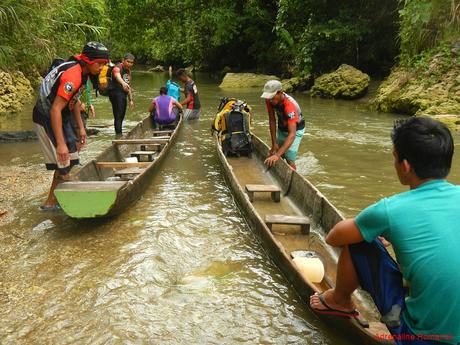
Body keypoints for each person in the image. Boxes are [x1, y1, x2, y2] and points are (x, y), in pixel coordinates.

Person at [309, 117, 460, 345]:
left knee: (358, 240)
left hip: (423, 338)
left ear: (405, 165)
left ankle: (339, 300)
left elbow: (334, 237)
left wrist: (371, 230)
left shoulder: (392, 209)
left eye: (395, 157)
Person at [33, 42, 109, 210]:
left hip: (62, 114)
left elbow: (74, 101)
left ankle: (56, 197)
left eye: (104, 64)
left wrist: (81, 128)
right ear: (88, 61)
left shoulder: (83, 73)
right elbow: (55, 109)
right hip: (47, 115)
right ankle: (51, 203)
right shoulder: (73, 75)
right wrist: (60, 144)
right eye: (100, 63)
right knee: (63, 158)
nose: (102, 67)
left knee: (70, 159)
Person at [260, 80, 305, 170]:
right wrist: (274, 143)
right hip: (282, 126)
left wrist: (277, 155)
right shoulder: (269, 100)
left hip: (296, 130)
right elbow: (272, 120)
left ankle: (293, 178)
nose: (270, 100)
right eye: (268, 98)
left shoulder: (290, 106)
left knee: (289, 157)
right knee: (277, 151)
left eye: (272, 97)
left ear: (279, 93)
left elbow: (292, 134)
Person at [109, 53, 134, 135]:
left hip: (123, 95)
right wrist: (123, 83)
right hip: (115, 93)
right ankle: (119, 135)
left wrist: (130, 99)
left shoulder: (128, 71)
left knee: (121, 116)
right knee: (119, 115)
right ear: (123, 60)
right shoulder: (118, 67)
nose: (130, 64)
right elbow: (117, 75)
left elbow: (129, 86)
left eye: (131, 62)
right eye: (128, 61)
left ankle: (118, 134)